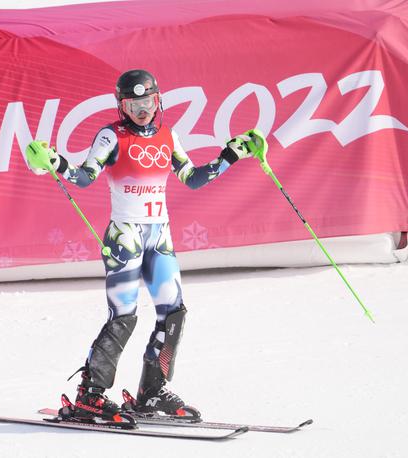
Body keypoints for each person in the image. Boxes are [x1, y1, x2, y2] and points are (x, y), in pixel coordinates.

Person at [26, 69, 266, 423]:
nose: (142, 110)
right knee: (124, 316)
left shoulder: (168, 136)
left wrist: (231, 155)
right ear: (122, 105)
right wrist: (55, 162)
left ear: (158, 99)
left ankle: (152, 392)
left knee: (173, 313)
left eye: (148, 101)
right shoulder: (112, 136)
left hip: (160, 237)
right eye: (134, 103)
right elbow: (84, 176)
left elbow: (194, 179)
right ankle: (90, 396)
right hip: (125, 239)